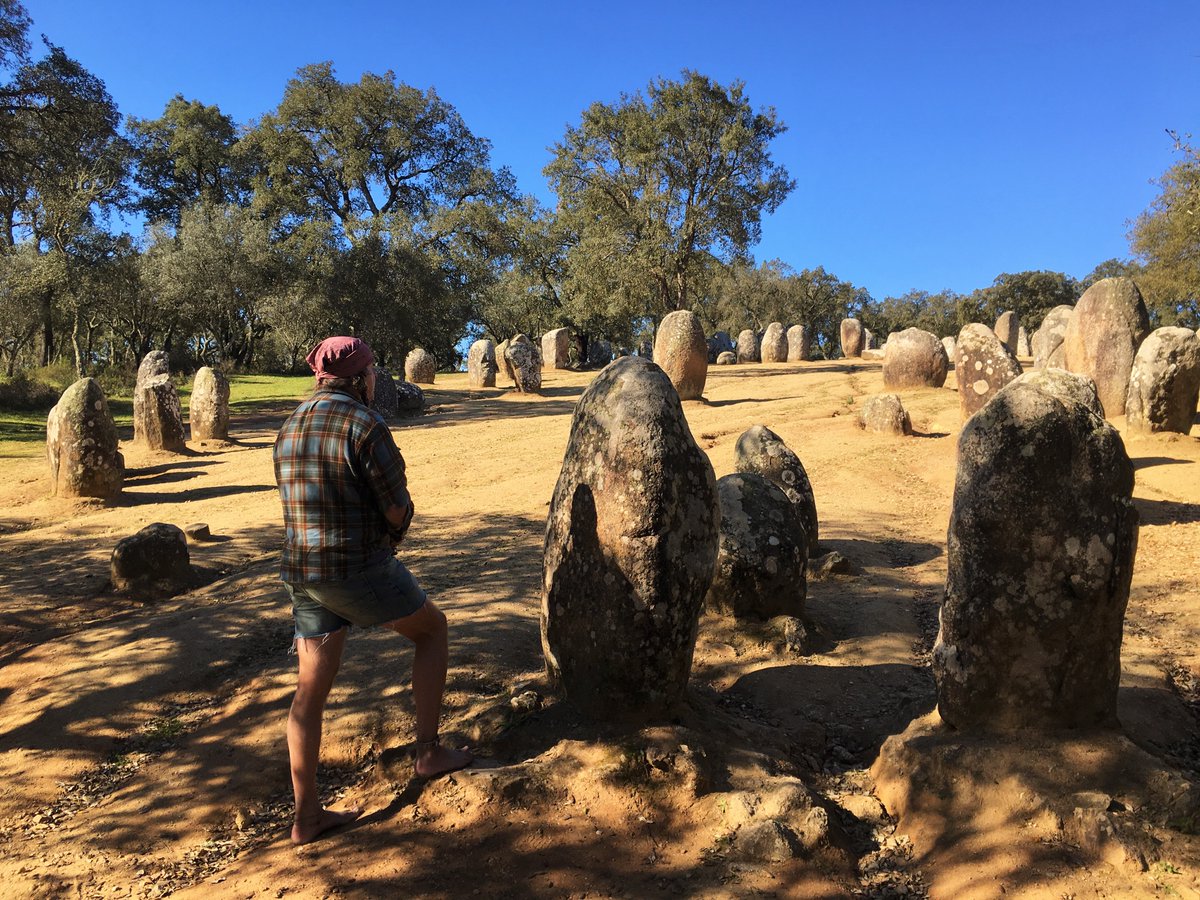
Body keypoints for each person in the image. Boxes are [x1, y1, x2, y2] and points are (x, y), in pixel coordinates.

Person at [273, 336, 472, 845]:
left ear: (321, 379)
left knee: (310, 688)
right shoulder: (365, 424)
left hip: (303, 573)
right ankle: (428, 751)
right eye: (372, 375)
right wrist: (398, 533)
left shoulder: (290, 426)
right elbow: (395, 507)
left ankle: (307, 816)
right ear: (362, 378)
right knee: (432, 631)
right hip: (357, 568)